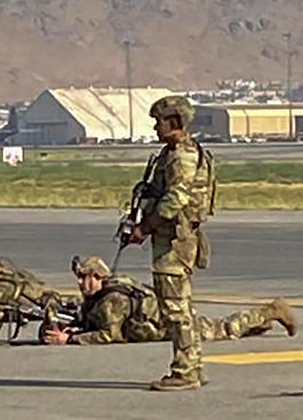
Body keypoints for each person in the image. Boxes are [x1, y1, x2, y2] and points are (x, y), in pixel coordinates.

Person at [126, 95, 216, 391]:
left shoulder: (182, 156)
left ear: (175, 122)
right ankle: (192, 366)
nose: (155, 128)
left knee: (175, 310)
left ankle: (185, 371)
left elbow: (175, 199)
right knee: (181, 308)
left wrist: (145, 228)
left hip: (174, 243)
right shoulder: (172, 153)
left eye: (159, 122)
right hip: (173, 240)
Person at [42, 256, 298, 346]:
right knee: (222, 329)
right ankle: (258, 325)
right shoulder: (99, 295)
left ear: (97, 277)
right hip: (164, 321)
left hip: (171, 324)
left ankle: (271, 311)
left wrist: (72, 339)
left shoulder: (113, 300)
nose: (79, 283)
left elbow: (110, 335)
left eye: (84, 277)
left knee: (223, 330)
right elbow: (92, 321)